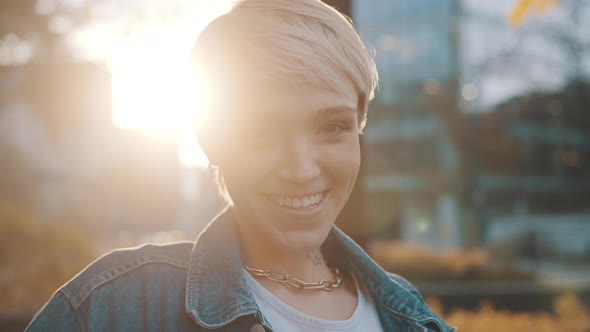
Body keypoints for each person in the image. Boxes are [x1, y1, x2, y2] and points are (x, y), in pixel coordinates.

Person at [26, 0, 455, 331]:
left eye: (332, 127)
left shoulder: (409, 312)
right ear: (212, 142)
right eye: (263, 133)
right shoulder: (111, 307)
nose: (302, 168)